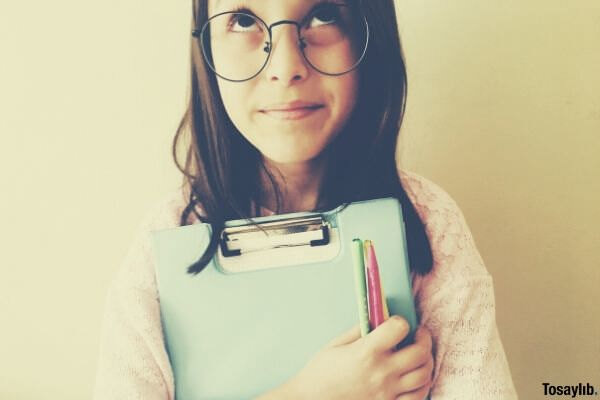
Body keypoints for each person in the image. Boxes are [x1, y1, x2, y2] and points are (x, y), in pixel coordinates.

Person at [93, 0, 518, 399]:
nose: (285, 67)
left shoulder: (428, 222)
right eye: (243, 20)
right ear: (204, 45)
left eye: (323, 14)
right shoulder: (165, 242)